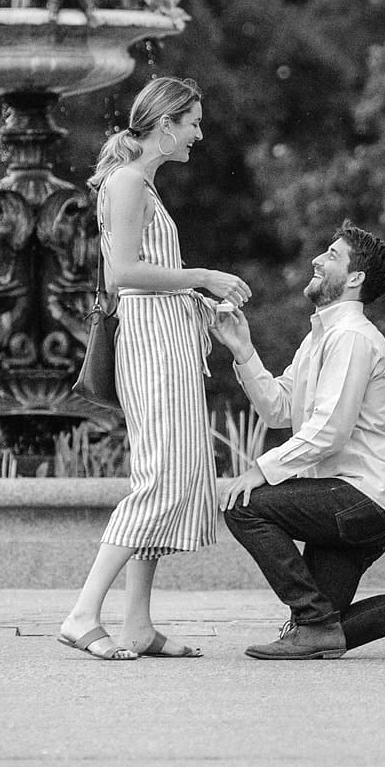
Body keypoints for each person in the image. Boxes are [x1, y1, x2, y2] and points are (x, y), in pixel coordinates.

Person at [57, 77, 252, 661]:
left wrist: (198, 306)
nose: (199, 134)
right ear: (165, 124)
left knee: (168, 474)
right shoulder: (126, 181)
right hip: (150, 347)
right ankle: (82, 613)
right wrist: (202, 277)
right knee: (161, 479)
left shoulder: (140, 183)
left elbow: (137, 275)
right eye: (193, 122)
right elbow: (122, 274)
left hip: (167, 339)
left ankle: (138, 625)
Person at [210, 223, 385, 659]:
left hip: (361, 497)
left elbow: (331, 430)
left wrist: (261, 470)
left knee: (244, 505)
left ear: (355, 278)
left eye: (332, 255)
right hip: (349, 500)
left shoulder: (351, 337)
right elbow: (279, 408)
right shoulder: (320, 338)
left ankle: (314, 623)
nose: (317, 259)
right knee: (322, 627)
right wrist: (243, 351)